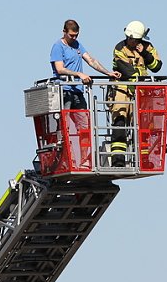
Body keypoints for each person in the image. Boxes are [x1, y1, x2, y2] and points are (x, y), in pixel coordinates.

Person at [49, 19, 119, 169]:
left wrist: (108, 73)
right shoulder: (58, 46)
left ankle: (84, 160)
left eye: (76, 35)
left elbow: (91, 60)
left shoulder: (78, 45)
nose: (74, 38)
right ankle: (65, 160)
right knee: (65, 127)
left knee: (84, 127)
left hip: (78, 92)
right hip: (64, 91)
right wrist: (78, 74)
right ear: (64, 32)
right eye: (71, 36)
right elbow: (59, 69)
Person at [109, 20, 163, 166]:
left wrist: (145, 54)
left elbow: (157, 66)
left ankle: (144, 159)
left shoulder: (147, 47)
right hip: (122, 89)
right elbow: (125, 70)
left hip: (142, 91)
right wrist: (138, 78)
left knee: (145, 126)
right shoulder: (119, 48)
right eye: (130, 38)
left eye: (134, 39)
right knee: (120, 121)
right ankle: (118, 161)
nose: (131, 41)